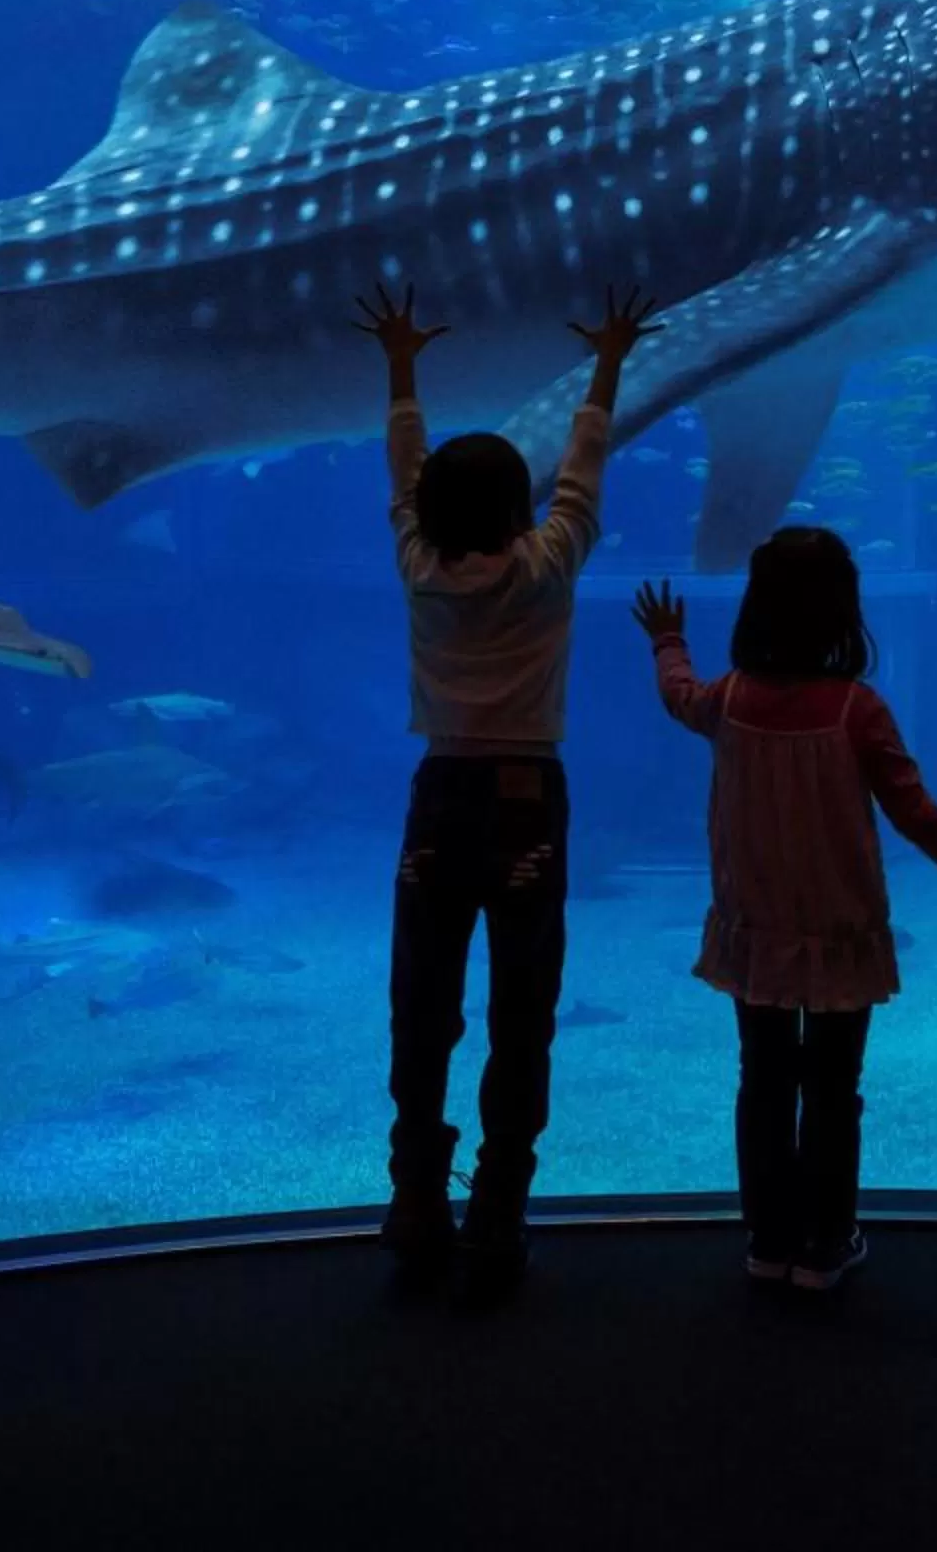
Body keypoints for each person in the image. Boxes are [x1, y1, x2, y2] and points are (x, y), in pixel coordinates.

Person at [353, 278, 660, 1296]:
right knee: (522, 1006)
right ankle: (497, 1207)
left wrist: (402, 366)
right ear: (521, 510)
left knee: (422, 999)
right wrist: (606, 362)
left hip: (439, 797)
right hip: (528, 799)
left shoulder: (415, 566)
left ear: (431, 513)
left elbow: (404, 474)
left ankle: (412, 1196)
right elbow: (584, 473)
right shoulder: (548, 567)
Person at [636, 531, 937, 1291]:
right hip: (840, 932)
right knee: (833, 1089)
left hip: (757, 929)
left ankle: (768, 1238)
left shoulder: (730, 699)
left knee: (764, 1080)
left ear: (757, 609)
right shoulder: (859, 709)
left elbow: (679, 696)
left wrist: (667, 640)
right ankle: (826, 1241)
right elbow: (914, 812)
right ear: (845, 614)